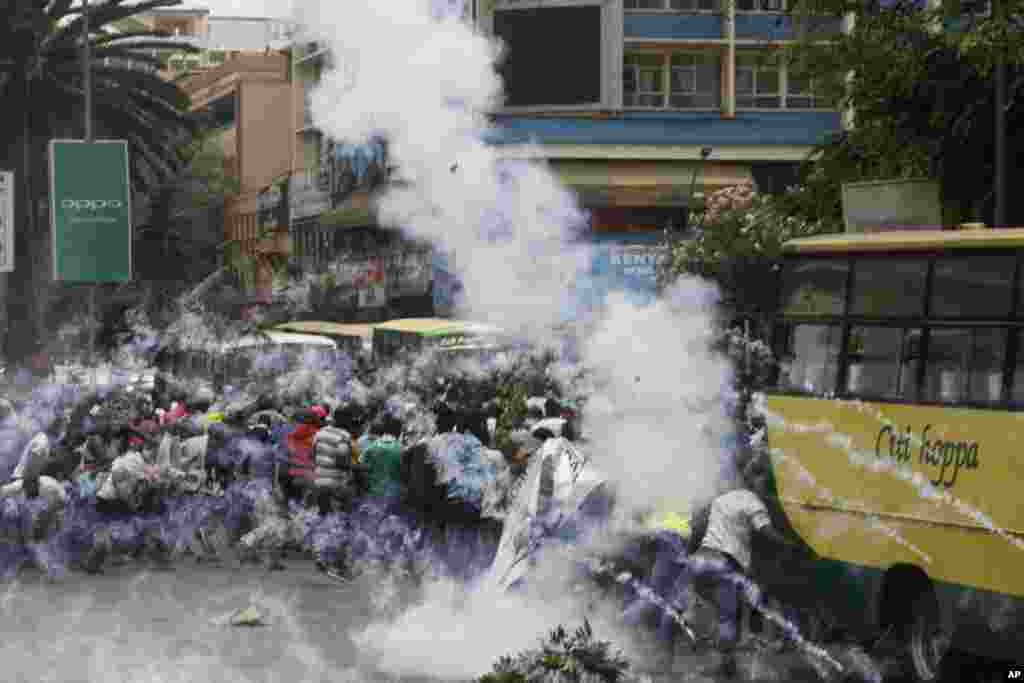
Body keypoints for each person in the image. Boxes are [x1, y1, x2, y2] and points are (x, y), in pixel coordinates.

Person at [684, 455, 807, 679]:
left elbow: (699, 526)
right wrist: (791, 545)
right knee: (729, 617)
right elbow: (765, 531)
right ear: (754, 481)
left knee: (727, 612)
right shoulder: (752, 501)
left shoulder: (722, 499)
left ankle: (716, 650)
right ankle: (724, 667)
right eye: (762, 480)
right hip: (723, 562)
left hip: (701, 561)